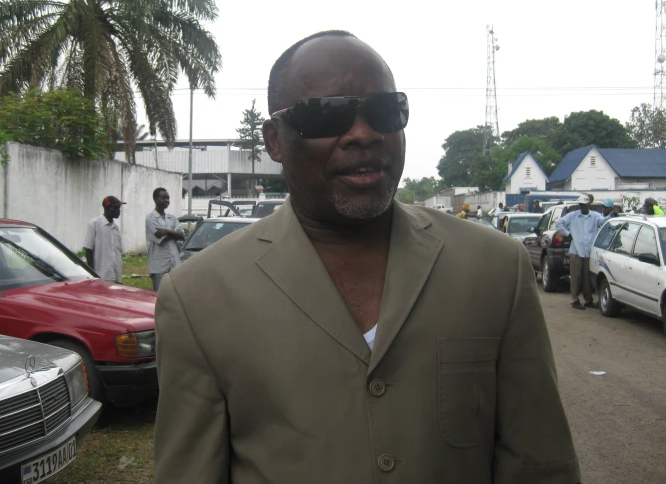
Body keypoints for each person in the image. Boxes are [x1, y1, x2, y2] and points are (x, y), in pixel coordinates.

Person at [154, 30, 579, 483]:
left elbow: (539, 464)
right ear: (274, 141)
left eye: (384, 111)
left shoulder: (496, 269)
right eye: (326, 114)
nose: (363, 133)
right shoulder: (198, 297)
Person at [555, 194, 611, 310]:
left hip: (589, 251)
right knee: (575, 276)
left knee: (587, 277)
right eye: (581, 205)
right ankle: (575, 300)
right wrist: (567, 234)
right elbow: (559, 223)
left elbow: (603, 223)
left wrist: (611, 216)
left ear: (588, 205)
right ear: (579, 205)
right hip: (576, 250)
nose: (583, 207)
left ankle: (588, 299)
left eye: (585, 205)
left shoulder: (595, 216)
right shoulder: (572, 216)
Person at [146, 188, 185, 291]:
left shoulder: (172, 218)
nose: (167, 200)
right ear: (155, 199)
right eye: (163, 198)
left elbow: (182, 235)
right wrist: (173, 233)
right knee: (159, 296)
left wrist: (167, 231)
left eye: (168, 198)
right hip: (159, 266)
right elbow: (160, 238)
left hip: (174, 264)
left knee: (174, 294)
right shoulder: (150, 218)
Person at [84, 196, 125, 284]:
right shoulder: (94, 224)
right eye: (116, 208)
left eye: (119, 208)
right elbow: (88, 250)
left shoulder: (115, 228)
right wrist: (92, 275)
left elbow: (117, 253)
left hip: (116, 276)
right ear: (108, 208)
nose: (119, 211)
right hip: (102, 276)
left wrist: (119, 277)